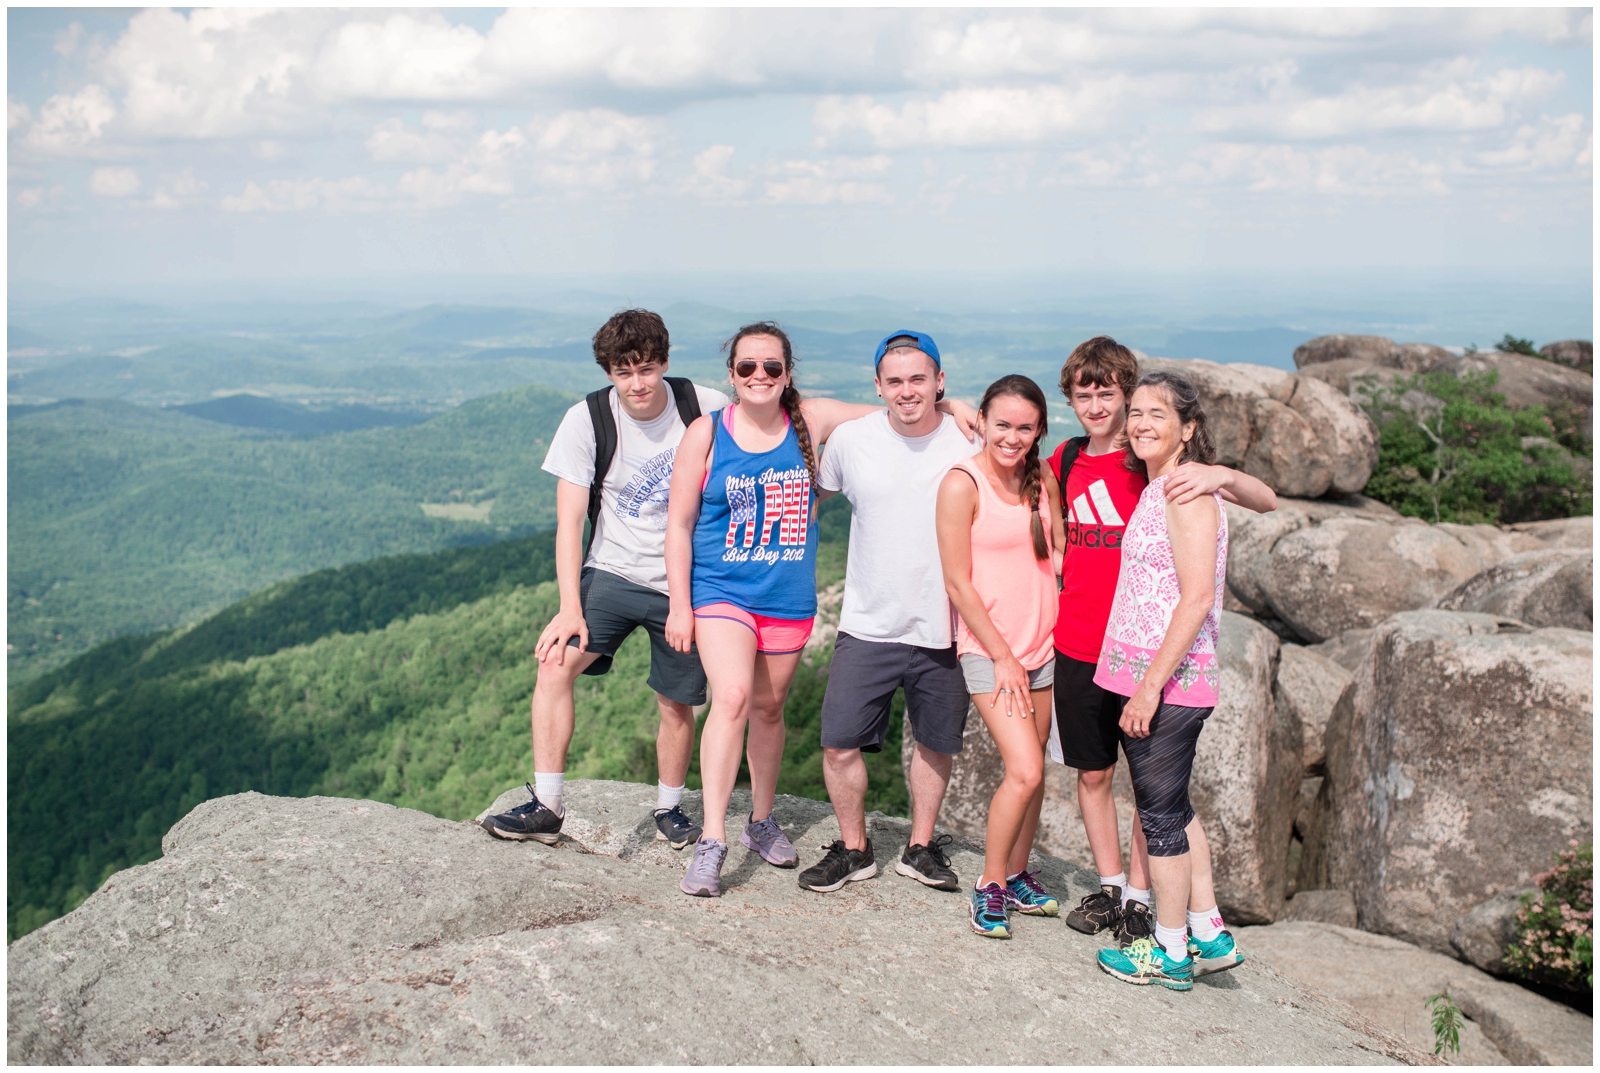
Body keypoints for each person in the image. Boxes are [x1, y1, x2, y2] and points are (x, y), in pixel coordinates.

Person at [665, 322, 935, 898]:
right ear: (731, 375)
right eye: (747, 368)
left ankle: (760, 822)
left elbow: (891, 404)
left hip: (787, 598)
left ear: (787, 373)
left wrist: (954, 404)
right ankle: (713, 839)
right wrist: (681, 606)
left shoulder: (809, 420)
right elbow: (680, 523)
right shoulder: (707, 433)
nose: (759, 376)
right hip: (721, 591)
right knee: (732, 697)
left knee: (768, 708)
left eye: (771, 367)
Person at [1050, 337, 1275, 949]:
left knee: (1157, 804)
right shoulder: (1078, 463)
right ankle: (1173, 914)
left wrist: (1221, 472)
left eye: (1113, 395)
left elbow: (1262, 505)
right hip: (1091, 651)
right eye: (1083, 392)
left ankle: (1158, 922)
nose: (1099, 405)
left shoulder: (1172, 479)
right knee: (1129, 788)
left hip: (1157, 669)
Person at [481, 309, 728, 849]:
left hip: (682, 581)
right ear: (608, 371)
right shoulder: (587, 419)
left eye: (645, 368)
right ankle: (548, 805)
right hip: (612, 570)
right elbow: (569, 521)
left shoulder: (705, 406)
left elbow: (778, 424)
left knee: (676, 700)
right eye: (623, 372)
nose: (636, 384)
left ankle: (670, 808)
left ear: (664, 361)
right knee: (554, 665)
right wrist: (570, 606)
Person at [797, 331, 981, 895]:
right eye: (895, 381)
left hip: (945, 624)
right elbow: (808, 492)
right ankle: (855, 849)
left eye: (919, 379)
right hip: (868, 622)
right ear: (877, 386)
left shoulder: (968, 440)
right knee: (838, 741)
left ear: (940, 382)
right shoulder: (853, 441)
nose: (907, 391)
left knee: (936, 742)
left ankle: (920, 847)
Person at [1091, 371, 1239, 990]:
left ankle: (1170, 952)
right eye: (1138, 413)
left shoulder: (1184, 494)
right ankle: (1207, 930)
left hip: (1167, 683)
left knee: (1160, 823)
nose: (1142, 423)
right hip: (1150, 676)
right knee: (1173, 807)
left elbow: (1197, 597)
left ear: (1189, 428)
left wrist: (1149, 686)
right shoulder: (1161, 488)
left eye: (1158, 413)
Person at [935, 374, 1065, 939]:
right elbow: (957, 584)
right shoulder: (962, 484)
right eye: (1003, 424)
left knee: (1035, 774)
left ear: (1039, 432)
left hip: (1046, 645)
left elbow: (1056, 554)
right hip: (992, 650)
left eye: (1025, 427)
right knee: (1026, 768)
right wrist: (1003, 655)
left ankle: (1016, 873)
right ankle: (989, 884)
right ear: (982, 421)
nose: (1012, 436)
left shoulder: (1043, 477)